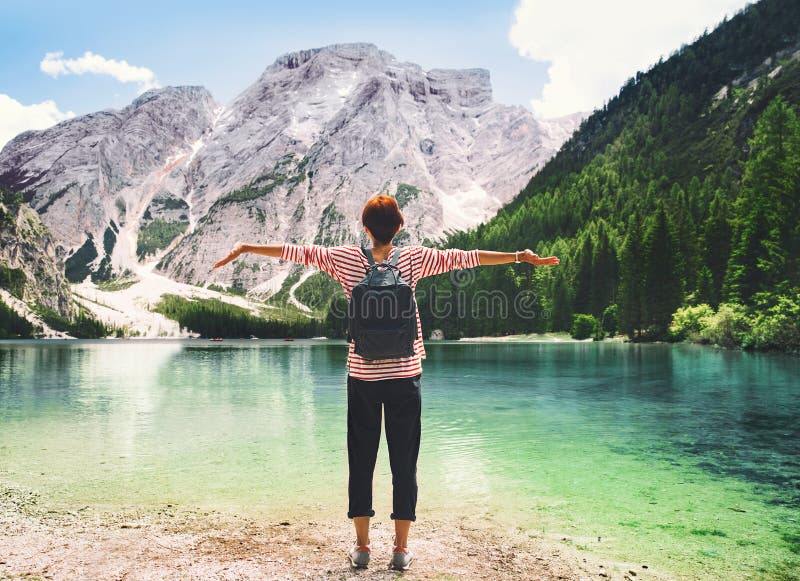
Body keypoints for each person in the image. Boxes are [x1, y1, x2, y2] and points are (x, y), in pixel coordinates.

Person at [212, 194, 559, 570]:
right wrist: (519, 256)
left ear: (365, 229)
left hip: (362, 376)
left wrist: (247, 247)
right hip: (406, 377)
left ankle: (361, 549)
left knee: (361, 461)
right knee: (404, 463)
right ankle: (400, 550)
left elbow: (297, 252)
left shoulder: (345, 258)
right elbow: (468, 256)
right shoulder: (414, 258)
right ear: (400, 226)